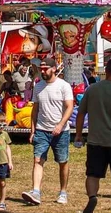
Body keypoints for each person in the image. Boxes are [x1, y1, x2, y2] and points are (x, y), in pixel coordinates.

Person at [74, 58, 111, 213]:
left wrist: (79, 134)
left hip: (95, 140)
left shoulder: (92, 89)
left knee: (93, 174)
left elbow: (81, 114)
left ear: (105, 71)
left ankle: (93, 197)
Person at [23, 58, 74, 206]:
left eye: (46, 69)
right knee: (38, 160)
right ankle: (36, 192)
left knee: (63, 162)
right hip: (41, 130)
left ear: (54, 69)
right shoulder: (38, 86)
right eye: (41, 69)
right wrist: (33, 130)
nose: (43, 71)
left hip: (61, 132)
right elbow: (35, 109)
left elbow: (70, 107)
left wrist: (60, 125)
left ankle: (63, 192)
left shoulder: (63, 86)